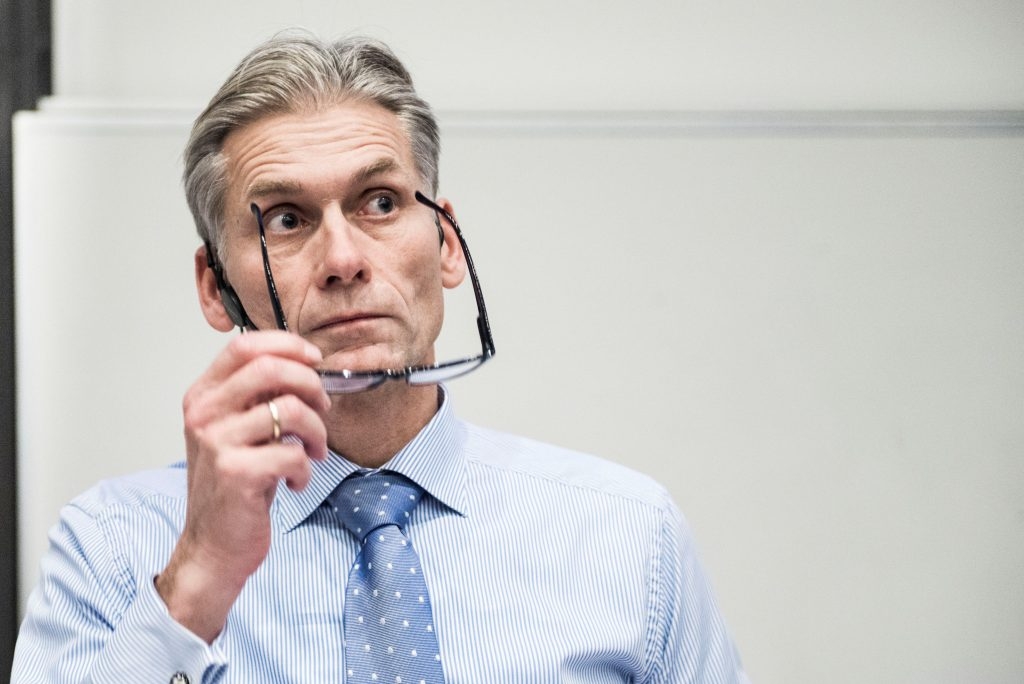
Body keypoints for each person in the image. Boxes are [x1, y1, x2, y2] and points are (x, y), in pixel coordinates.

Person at [12, 32, 749, 683]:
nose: (344, 259)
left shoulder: (629, 536)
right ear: (215, 288)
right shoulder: (111, 548)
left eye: (382, 203)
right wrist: (193, 589)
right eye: (287, 219)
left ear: (447, 244)